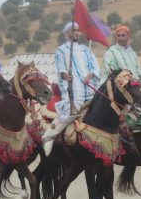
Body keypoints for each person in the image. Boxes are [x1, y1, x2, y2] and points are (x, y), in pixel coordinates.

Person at [42, 22, 100, 156]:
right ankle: (49, 136)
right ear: (66, 33)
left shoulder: (86, 49)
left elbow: (95, 66)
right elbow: (60, 68)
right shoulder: (61, 50)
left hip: (89, 85)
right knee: (70, 113)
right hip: (73, 86)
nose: (77, 33)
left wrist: (90, 74)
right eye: (74, 30)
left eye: (78, 30)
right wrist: (64, 75)